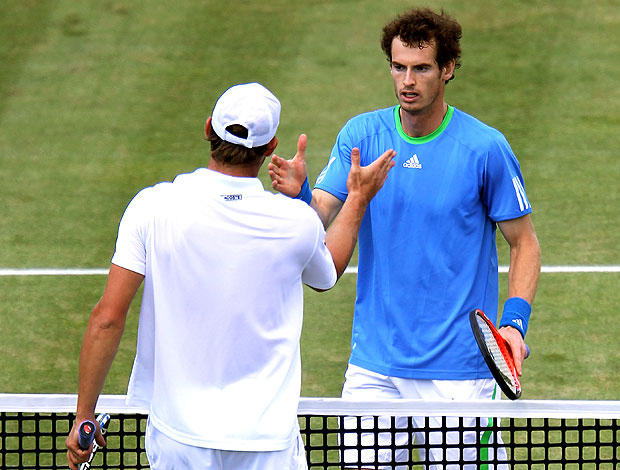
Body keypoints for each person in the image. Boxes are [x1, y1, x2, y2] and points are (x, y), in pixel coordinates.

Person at [65, 82, 395, 470]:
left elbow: (107, 318)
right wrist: (357, 198)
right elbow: (327, 274)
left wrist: (84, 414)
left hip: (178, 439)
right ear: (270, 147)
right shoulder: (295, 220)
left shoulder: (151, 207)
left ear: (208, 129)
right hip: (267, 445)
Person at [269, 7, 541, 469]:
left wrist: (513, 324)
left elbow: (525, 243)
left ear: (447, 69)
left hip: (458, 375)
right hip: (374, 366)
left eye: (421, 68)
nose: (407, 81)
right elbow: (317, 219)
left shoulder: (484, 148)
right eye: (399, 67)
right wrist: (298, 194)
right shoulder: (362, 135)